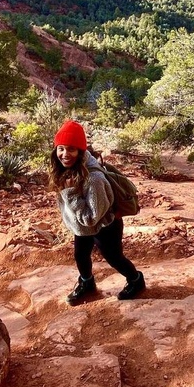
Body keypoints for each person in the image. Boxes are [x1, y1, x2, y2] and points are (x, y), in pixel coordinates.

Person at [49, 119, 145, 305]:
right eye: (61, 148)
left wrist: (70, 194)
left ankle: (136, 280)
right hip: (83, 226)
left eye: (71, 149)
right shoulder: (67, 170)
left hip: (104, 226)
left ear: (80, 151)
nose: (64, 154)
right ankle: (87, 283)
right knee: (80, 255)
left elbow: (91, 218)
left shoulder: (93, 179)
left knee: (114, 258)